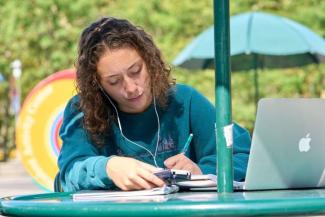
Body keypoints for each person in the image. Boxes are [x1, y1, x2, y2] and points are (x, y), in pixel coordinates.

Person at [58, 17, 251, 192]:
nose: (131, 88)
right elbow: (67, 176)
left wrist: (202, 171)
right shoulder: (82, 110)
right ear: (97, 84)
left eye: (135, 71)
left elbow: (244, 154)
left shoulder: (185, 100)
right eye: (114, 81)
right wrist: (107, 168)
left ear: (149, 61)